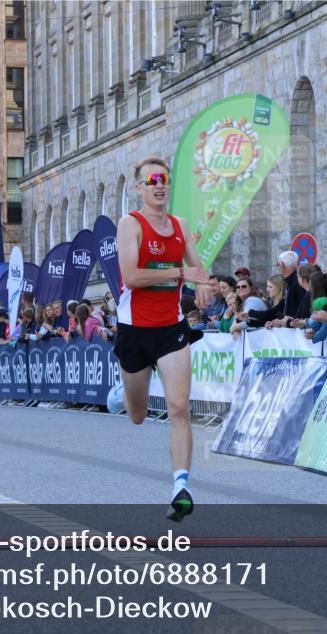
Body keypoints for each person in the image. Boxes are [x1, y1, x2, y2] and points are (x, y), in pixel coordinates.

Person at [106, 156, 211, 522]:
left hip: (171, 328)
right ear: (139, 188)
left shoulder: (180, 226)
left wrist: (203, 284)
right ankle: (121, 393)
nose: (159, 185)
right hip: (135, 329)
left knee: (179, 408)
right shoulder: (130, 224)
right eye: (151, 180)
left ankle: (181, 488)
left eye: (164, 179)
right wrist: (180, 272)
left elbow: (198, 268)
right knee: (137, 415)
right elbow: (132, 277)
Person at [267, 251, 309, 327]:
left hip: (298, 330)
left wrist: (285, 322)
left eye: (278, 264)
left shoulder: (296, 282)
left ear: (282, 265)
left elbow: (302, 313)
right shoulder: (291, 282)